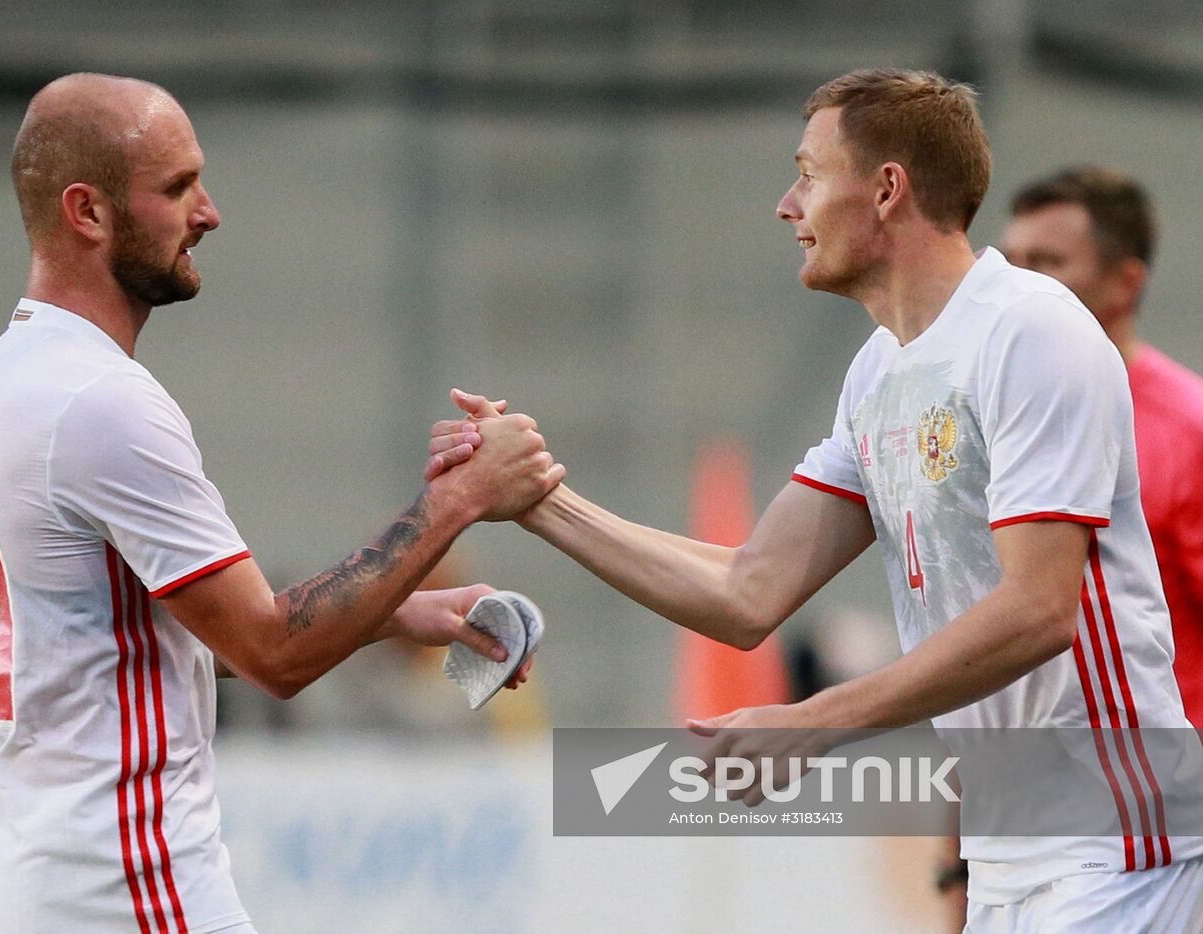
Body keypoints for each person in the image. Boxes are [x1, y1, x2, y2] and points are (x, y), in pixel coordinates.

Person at [433, 69, 1203, 930]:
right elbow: (747, 592)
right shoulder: (880, 370)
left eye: (807, 171)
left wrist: (813, 722)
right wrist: (540, 498)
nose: (785, 204)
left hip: (1118, 840)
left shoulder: (1030, 330)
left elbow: (1039, 611)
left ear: (885, 189)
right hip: (1010, 854)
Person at [0, 73, 562, 934]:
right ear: (86, 212)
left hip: (42, 875)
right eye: (176, 188)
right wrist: (461, 499)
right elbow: (274, 655)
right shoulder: (102, 401)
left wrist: (395, 613)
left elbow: (137, 639)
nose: (209, 212)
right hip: (128, 883)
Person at [1001, 167, 1203, 726]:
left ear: (1126, 283)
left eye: (1045, 263)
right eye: (1010, 263)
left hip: (1155, 784)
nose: (1017, 285)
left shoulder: (1188, 431)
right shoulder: (987, 414)